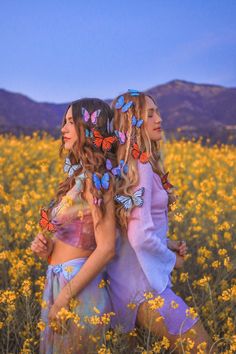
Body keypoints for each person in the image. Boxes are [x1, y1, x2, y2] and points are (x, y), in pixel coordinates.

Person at [106, 90, 213, 352]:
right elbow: (140, 236)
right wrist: (171, 259)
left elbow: (133, 225)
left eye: (159, 112)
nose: (159, 119)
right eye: (150, 114)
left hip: (125, 290)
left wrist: (168, 241)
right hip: (146, 292)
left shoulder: (122, 166)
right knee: (207, 349)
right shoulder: (140, 167)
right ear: (132, 122)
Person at [31, 98, 117, 353]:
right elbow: (78, 237)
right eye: (64, 122)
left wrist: (64, 298)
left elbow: (107, 248)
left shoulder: (98, 179)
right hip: (62, 286)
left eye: (71, 122)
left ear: (89, 128)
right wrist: (48, 251)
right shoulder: (78, 176)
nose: (63, 129)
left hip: (80, 292)